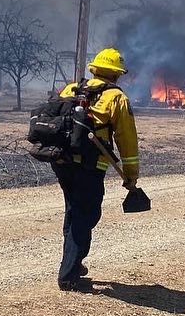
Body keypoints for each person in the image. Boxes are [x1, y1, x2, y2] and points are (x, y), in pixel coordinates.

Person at [52, 47, 140, 290]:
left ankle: (73, 263)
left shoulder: (72, 89)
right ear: (116, 74)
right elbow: (127, 140)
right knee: (86, 215)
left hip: (62, 161)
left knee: (73, 211)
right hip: (90, 166)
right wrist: (131, 176)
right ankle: (68, 276)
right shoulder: (117, 98)